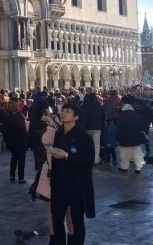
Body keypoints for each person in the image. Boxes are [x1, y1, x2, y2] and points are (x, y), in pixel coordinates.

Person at [49, 103, 95, 244]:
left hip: (76, 185)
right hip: (59, 184)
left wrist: (67, 156)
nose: (63, 113)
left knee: (76, 220)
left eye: (67, 111)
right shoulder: (58, 134)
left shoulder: (84, 137)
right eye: (62, 110)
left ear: (75, 117)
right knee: (56, 218)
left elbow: (88, 160)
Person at [2, 100, 29, 184]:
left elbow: (5, 130)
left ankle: (12, 176)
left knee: (13, 158)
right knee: (21, 160)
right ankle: (21, 178)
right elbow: (25, 129)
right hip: (20, 141)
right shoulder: (20, 116)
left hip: (11, 142)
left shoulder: (6, 117)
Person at [116, 104, 146, 174]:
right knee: (137, 155)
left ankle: (124, 167)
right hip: (136, 140)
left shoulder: (121, 117)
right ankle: (138, 168)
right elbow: (142, 127)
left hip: (124, 140)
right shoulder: (137, 116)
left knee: (124, 155)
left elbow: (119, 130)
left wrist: (118, 139)